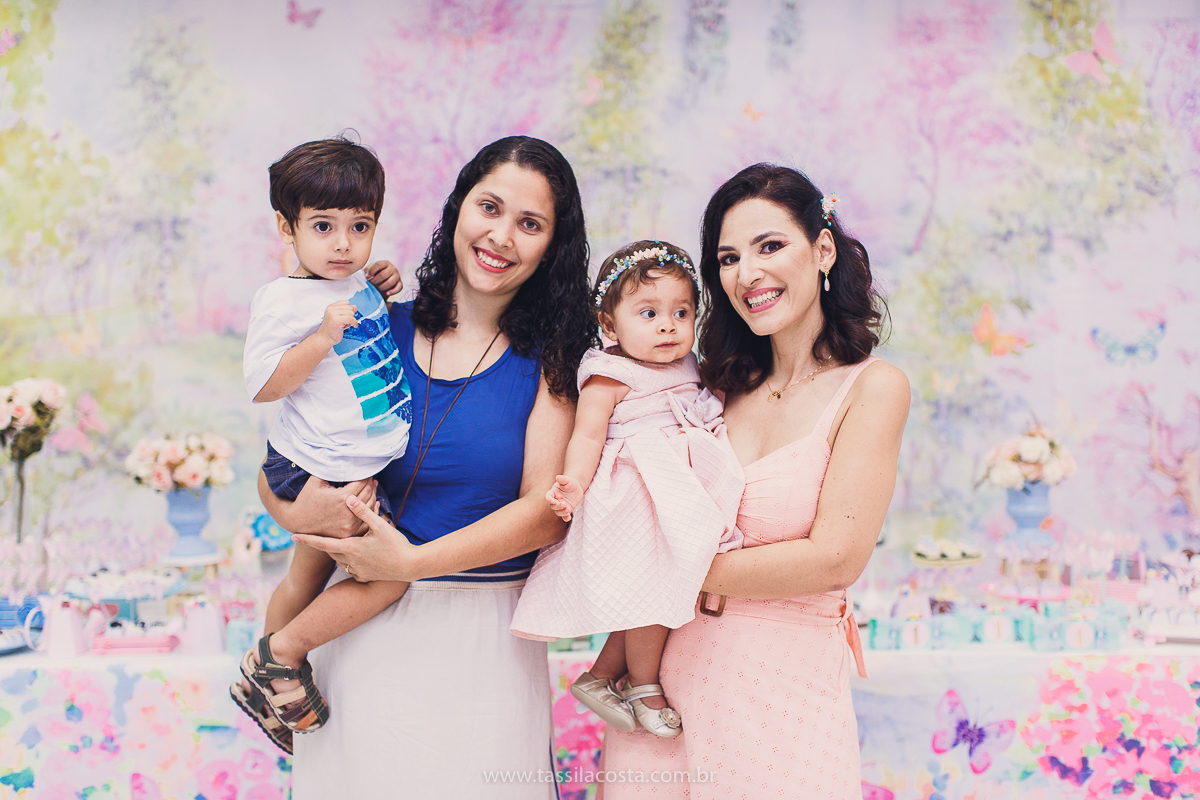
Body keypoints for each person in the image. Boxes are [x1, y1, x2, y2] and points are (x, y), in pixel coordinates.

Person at [259, 135, 593, 799]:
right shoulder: (372, 326)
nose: (501, 236)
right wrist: (298, 511)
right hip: (357, 640)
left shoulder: (556, 361)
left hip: (486, 648)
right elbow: (284, 464)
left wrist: (411, 563)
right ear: (458, 208)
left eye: (530, 224)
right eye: (489, 208)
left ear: (553, 245)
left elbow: (545, 512)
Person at [600, 165, 910, 799]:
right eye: (729, 258)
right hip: (661, 694)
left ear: (823, 250)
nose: (747, 273)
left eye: (770, 246)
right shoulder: (706, 387)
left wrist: (659, 564)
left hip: (780, 692)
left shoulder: (872, 388)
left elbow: (835, 557)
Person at [509, 240, 744, 739]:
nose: (668, 326)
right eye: (649, 313)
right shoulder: (609, 374)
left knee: (664, 585)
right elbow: (587, 436)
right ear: (610, 325)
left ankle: (600, 676)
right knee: (654, 588)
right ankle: (642, 683)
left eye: (682, 313)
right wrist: (574, 484)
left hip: (674, 489)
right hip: (636, 490)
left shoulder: (689, 362)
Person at [233, 136, 413, 753]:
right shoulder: (283, 300)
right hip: (313, 467)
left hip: (352, 465)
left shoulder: (355, 279)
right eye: (323, 226)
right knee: (371, 578)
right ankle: (275, 667)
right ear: (287, 228)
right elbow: (263, 385)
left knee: (314, 577)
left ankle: (263, 681)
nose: (343, 244)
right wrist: (319, 338)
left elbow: (369, 327)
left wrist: (380, 285)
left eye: (359, 226)